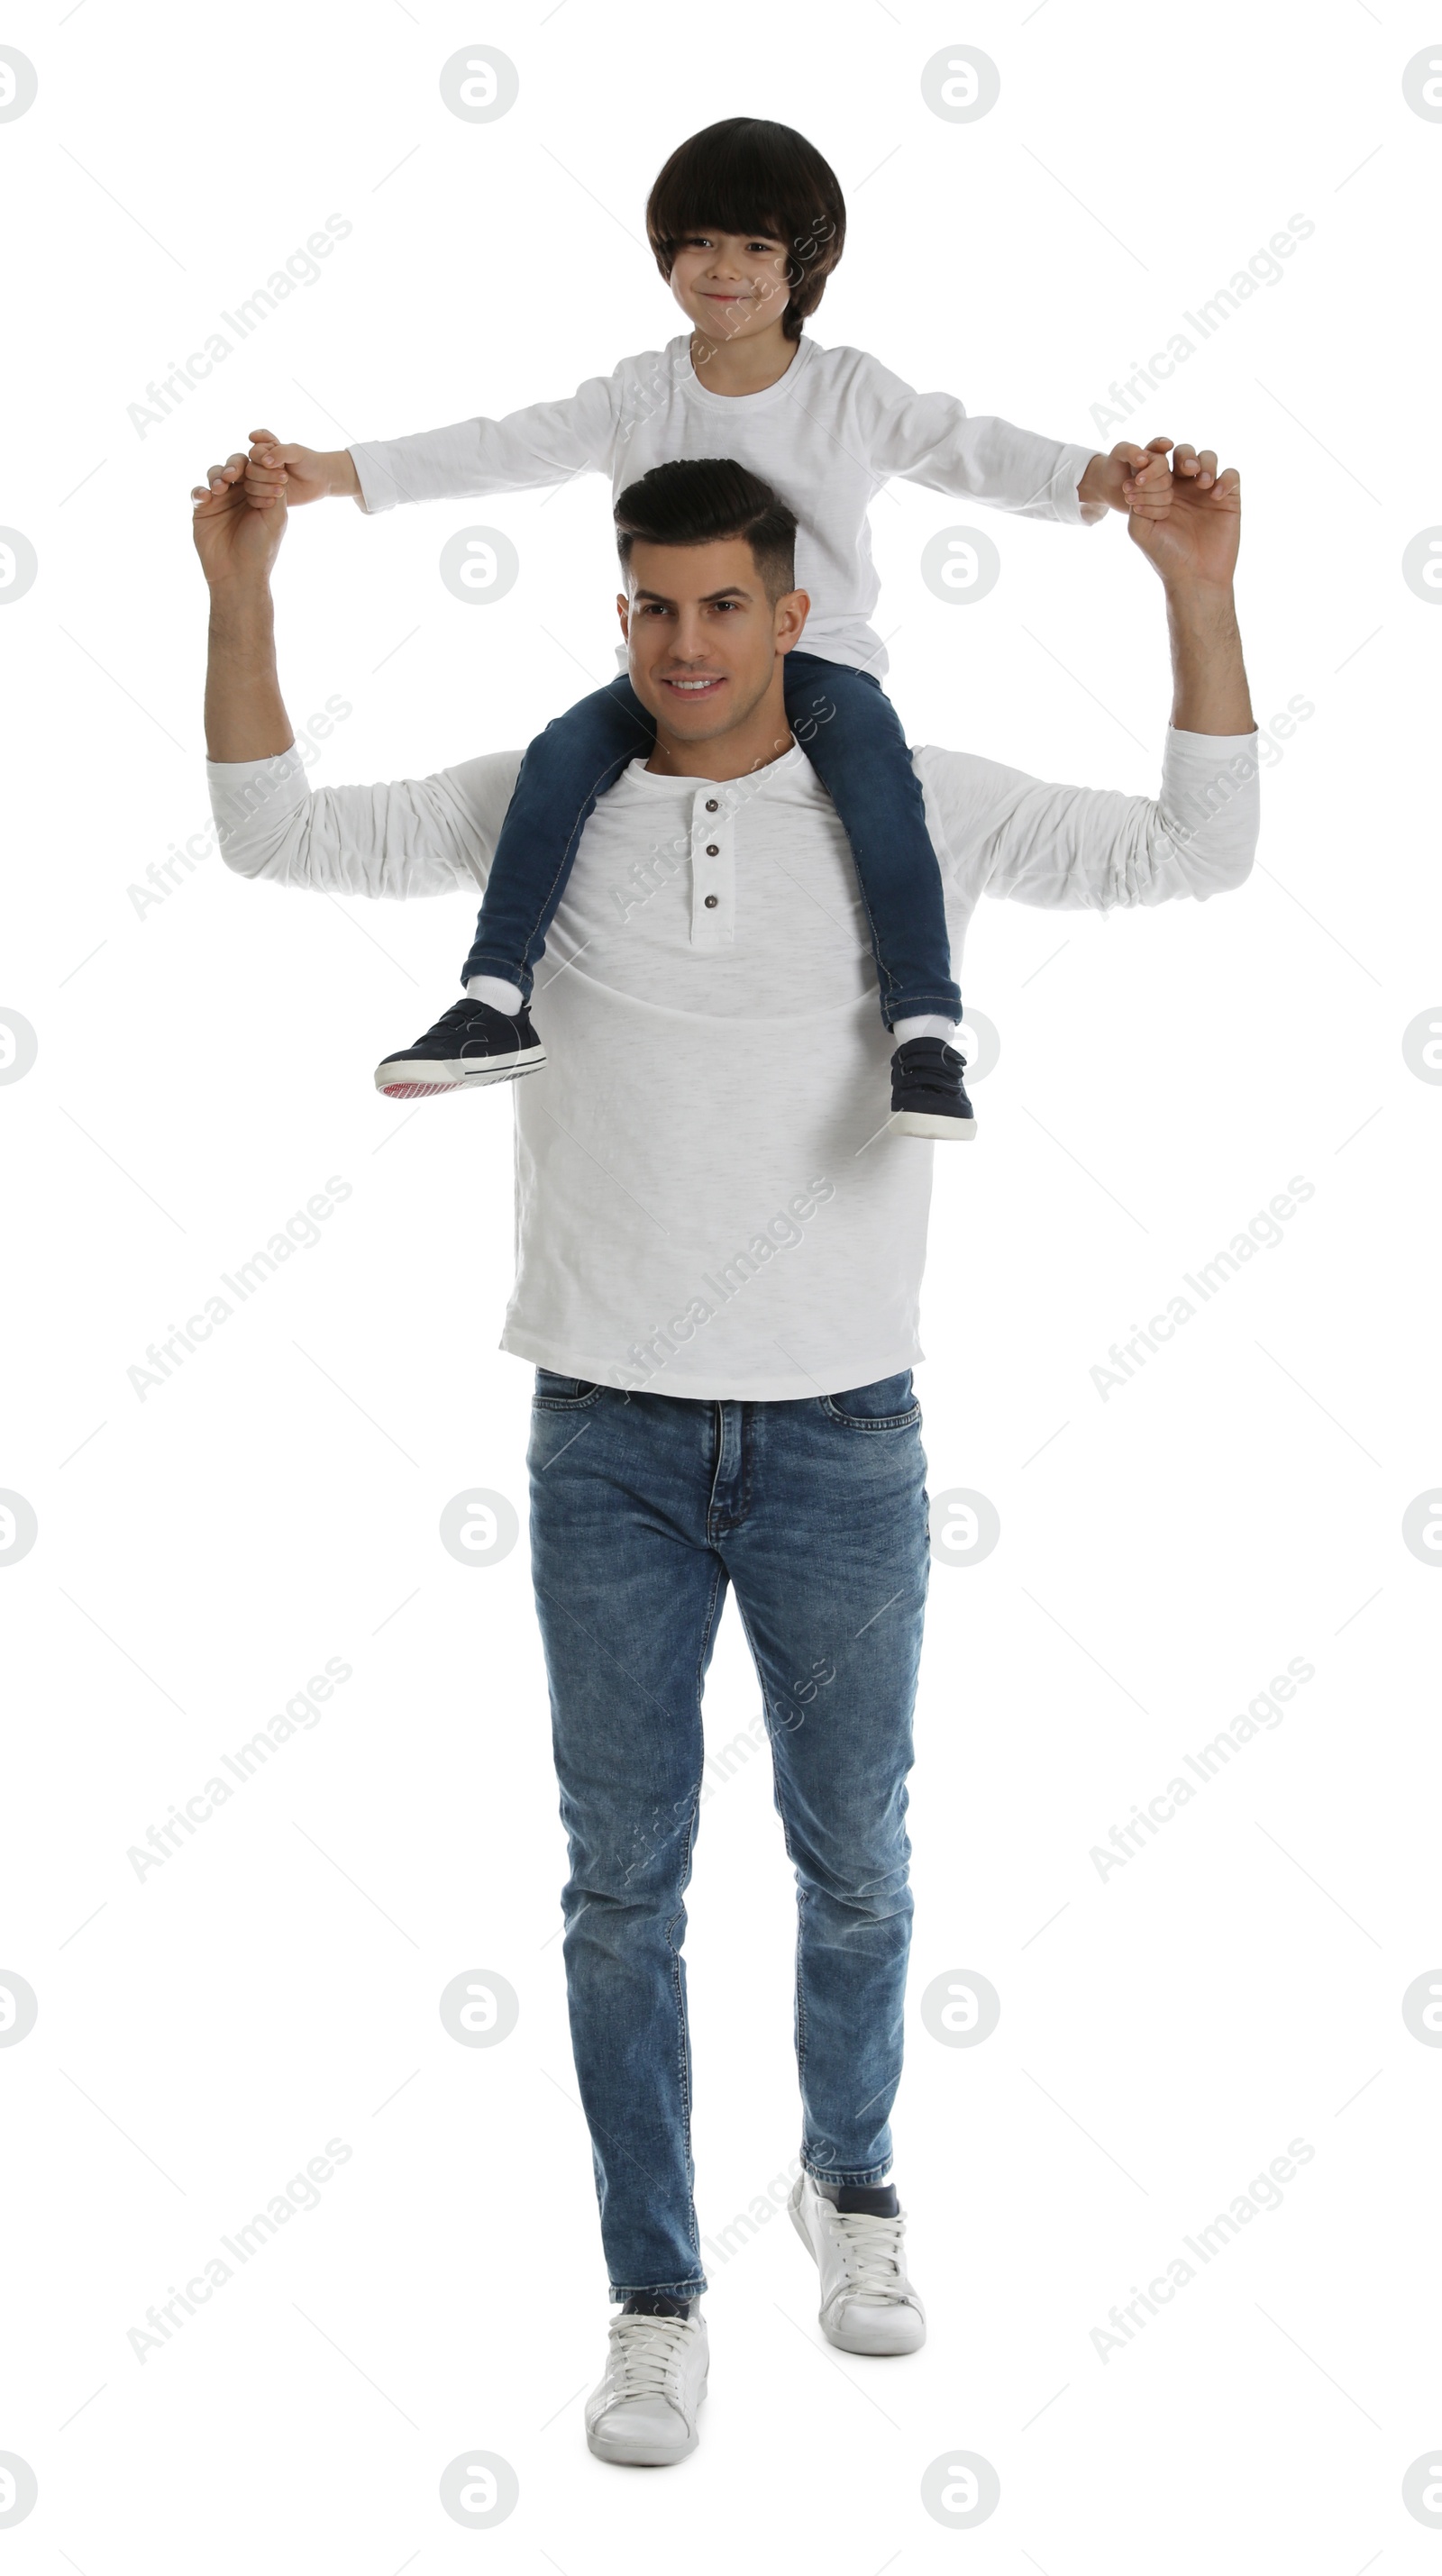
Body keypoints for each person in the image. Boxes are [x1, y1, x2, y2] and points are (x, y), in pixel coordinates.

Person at [191, 439, 1256, 2466]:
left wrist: (1192, 591)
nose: (685, 643)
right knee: (621, 1889)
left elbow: (1187, 855)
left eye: (721, 605)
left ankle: (847, 2183)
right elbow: (270, 835)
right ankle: (654, 2291)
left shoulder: (907, 797)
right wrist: (241, 593)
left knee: (854, 1865)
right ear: (622, 617)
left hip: (844, 1424)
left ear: (792, 611)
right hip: (600, 1432)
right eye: (650, 607)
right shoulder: (549, 802)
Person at [205, 114, 1200, 1136]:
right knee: (555, 760)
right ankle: (496, 1000)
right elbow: (502, 446)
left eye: (756, 248)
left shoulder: (847, 392)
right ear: (666, 253)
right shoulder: (641, 393)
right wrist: (338, 474)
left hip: (814, 664)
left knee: (880, 789)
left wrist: (1095, 480)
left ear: (804, 264)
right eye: (700, 244)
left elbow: (968, 448)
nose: (723, 270)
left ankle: (925, 1034)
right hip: (668, 673)